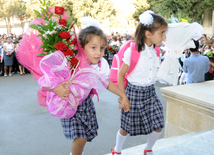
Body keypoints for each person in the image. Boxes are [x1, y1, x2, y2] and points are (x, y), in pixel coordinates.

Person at [48, 18, 130, 155]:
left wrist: (123, 95)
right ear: (81, 46)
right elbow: (46, 80)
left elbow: (106, 82)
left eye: (102, 48)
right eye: (93, 47)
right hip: (69, 105)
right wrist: (57, 88)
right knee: (80, 138)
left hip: (85, 104)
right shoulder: (70, 63)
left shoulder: (95, 66)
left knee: (83, 139)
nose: (99, 52)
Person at [111, 10, 168, 155]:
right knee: (126, 127)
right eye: (161, 33)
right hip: (133, 93)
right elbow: (121, 74)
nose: (164, 36)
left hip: (150, 93)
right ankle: (117, 149)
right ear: (148, 34)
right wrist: (123, 97)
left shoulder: (156, 50)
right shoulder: (132, 51)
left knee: (158, 125)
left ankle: (148, 149)